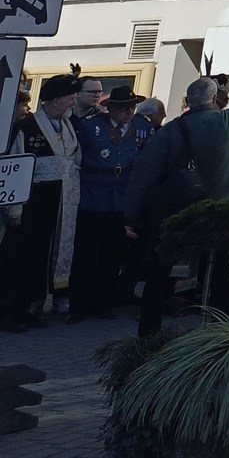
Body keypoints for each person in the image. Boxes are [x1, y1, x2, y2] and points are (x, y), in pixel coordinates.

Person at [124, 72, 229, 335]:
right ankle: (220, 336)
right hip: (219, 213)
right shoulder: (228, 122)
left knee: (158, 274)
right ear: (214, 97)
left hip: (174, 213)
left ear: (188, 100)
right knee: (218, 273)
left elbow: (144, 175)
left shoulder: (169, 131)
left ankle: (148, 337)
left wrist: (131, 216)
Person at [0, 73, 82, 329]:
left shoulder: (67, 125)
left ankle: (27, 307)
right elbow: (15, 167)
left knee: (39, 258)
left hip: (58, 205)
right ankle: (8, 312)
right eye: (70, 97)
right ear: (55, 100)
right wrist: (14, 209)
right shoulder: (27, 127)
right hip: (32, 204)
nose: (74, 101)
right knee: (19, 258)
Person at [71, 82, 153, 320]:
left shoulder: (143, 126)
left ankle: (102, 303)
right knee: (85, 255)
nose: (128, 112)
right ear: (111, 108)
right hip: (93, 196)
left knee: (112, 255)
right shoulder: (90, 126)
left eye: (131, 107)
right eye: (122, 107)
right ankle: (78, 306)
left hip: (122, 197)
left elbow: (147, 158)